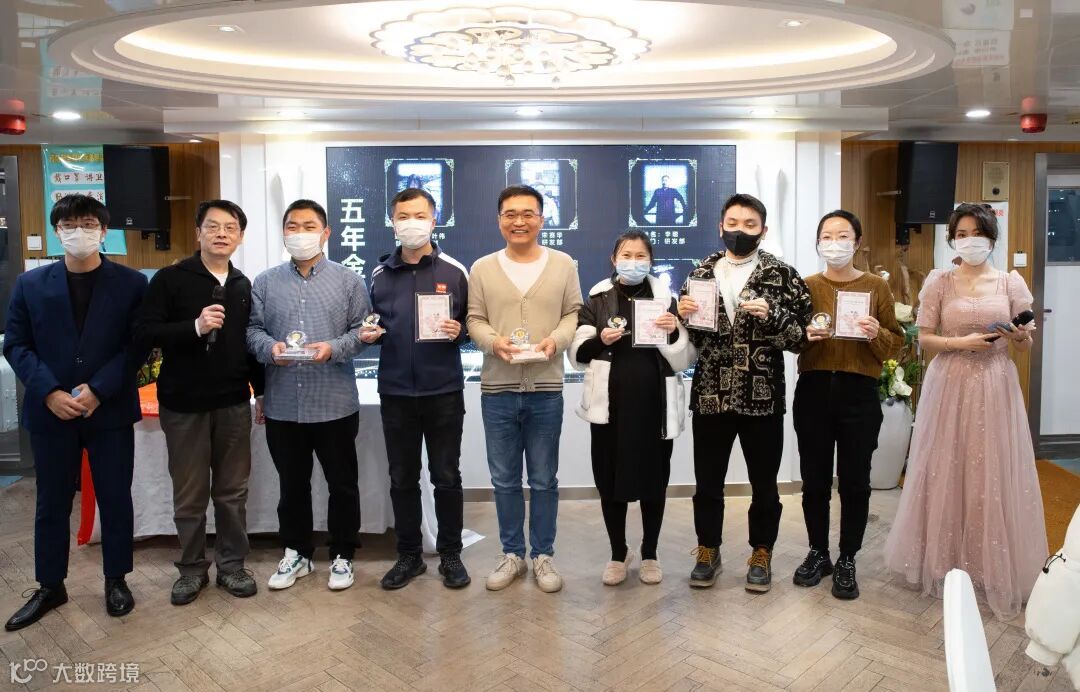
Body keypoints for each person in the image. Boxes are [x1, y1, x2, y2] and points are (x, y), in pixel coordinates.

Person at [883, 203, 1047, 620]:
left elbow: (1025, 345)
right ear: (952, 239)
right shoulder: (940, 281)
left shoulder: (1010, 282)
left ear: (991, 238)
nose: (969, 240)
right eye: (961, 233)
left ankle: (989, 566)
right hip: (950, 381)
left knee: (991, 468)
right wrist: (961, 343)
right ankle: (942, 561)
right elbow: (925, 338)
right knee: (945, 466)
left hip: (995, 382)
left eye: (977, 233)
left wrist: (1019, 336)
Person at [4, 194, 147, 630]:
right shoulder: (30, 284)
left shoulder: (131, 283)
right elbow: (17, 344)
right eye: (69, 225)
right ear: (57, 231)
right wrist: (48, 391)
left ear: (103, 232)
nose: (78, 232)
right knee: (51, 501)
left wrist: (99, 389)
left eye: (87, 224)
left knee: (115, 497)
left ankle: (116, 579)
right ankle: (50, 585)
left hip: (109, 410)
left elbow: (137, 346)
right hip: (51, 413)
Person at [678, 193, 811, 592]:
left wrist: (773, 315)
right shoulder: (700, 274)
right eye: (733, 223)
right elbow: (690, 340)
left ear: (763, 230)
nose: (740, 231)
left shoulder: (782, 275)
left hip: (762, 395)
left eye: (749, 225)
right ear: (720, 227)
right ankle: (708, 549)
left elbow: (801, 339)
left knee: (764, 485)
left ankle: (761, 551)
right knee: (707, 483)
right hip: (711, 394)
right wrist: (681, 318)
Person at [135, 199, 264, 606]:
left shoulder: (243, 285)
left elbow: (249, 345)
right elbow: (145, 333)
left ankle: (232, 566)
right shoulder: (170, 279)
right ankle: (191, 569)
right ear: (198, 233)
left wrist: (260, 390)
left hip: (233, 404)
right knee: (190, 495)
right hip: (184, 405)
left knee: (232, 493)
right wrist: (194, 326)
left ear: (240, 236)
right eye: (213, 226)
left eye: (230, 227)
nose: (221, 233)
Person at [247, 199, 370, 592]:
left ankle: (343, 553)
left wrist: (333, 348)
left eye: (309, 226)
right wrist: (271, 350)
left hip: (334, 402)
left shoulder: (349, 281)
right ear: (284, 232)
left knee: (342, 484)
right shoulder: (265, 282)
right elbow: (251, 331)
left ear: (326, 233)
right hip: (284, 403)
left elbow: (363, 332)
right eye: (292, 226)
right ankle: (297, 551)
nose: (300, 233)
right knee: (292, 485)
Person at [466, 184, 582, 593]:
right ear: (499, 220)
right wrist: (493, 342)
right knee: (504, 480)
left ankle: (543, 555)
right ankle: (512, 554)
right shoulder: (482, 268)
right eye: (511, 214)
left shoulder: (563, 264)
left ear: (542, 219)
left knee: (544, 479)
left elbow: (572, 313)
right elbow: (474, 319)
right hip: (497, 388)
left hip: (546, 388)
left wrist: (556, 341)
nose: (519, 221)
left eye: (528, 213)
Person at [360, 187, 471, 590]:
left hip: (443, 391)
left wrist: (461, 332)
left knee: (447, 476)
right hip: (395, 393)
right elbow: (371, 323)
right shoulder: (379, 275)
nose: (412, 223)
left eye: (419, 216)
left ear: (434, 220)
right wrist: (368, 334)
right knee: (402, 478)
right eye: (403, 216)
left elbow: (473, 326)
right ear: (392, 222)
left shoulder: (455, 271)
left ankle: (451, 554)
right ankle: (408, 555)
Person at [569, 230, 692, 585]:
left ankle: (650, 552)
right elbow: (577, 355)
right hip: (611, 409)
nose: (633, 262)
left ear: (650, 261)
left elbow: (684, 359)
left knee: (655, 482)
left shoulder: (666, 299)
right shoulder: (597, 298)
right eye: (627, 255)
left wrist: (673, 331)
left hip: (654, 407)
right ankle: (618, 552)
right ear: (614, 259)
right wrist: (599, 338)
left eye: (641, 256)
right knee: (609, 480)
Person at [792, 210, 903, 600]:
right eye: (827, 236)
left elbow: (895, 343)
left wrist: (875, 333)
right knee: (815, 480)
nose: (834, 243)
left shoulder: (876, 286)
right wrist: (804, 335)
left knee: (855, 481)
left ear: (857, 242)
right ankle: (818, 552)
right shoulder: (806, 286)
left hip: (860, 392)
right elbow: (790, 340)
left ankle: (848, 557)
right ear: (818, 242)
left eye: (843, 236)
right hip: (814, 389)